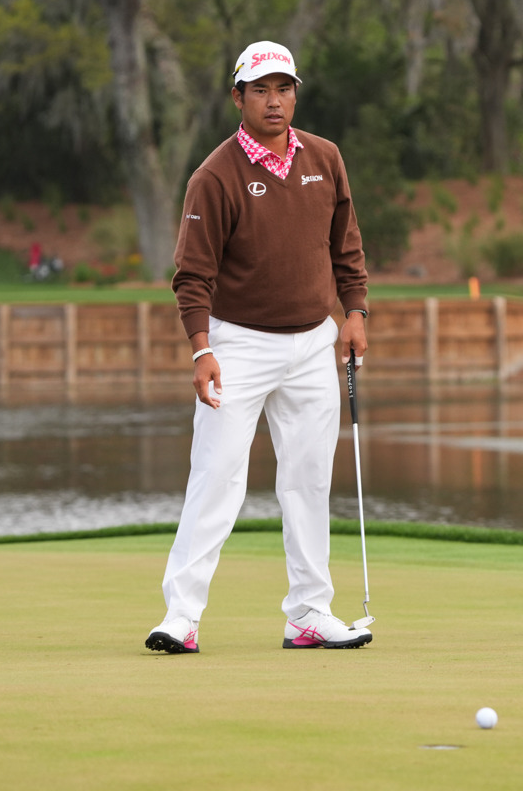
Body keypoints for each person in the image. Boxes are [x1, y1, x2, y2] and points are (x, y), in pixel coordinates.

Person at [146, 40, 372, 654]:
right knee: (216, 478)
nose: (275, 101)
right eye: (262, 90)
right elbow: (192, 276)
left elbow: (344, 245)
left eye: (284, 89)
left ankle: (308, 613)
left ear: (295, 93)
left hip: (313, 342)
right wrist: (201, 348)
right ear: (238, 97)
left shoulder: (325, 158)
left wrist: (354, 312)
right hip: (238, 345)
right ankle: (182, 617)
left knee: (307, 480)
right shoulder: (214, 176)